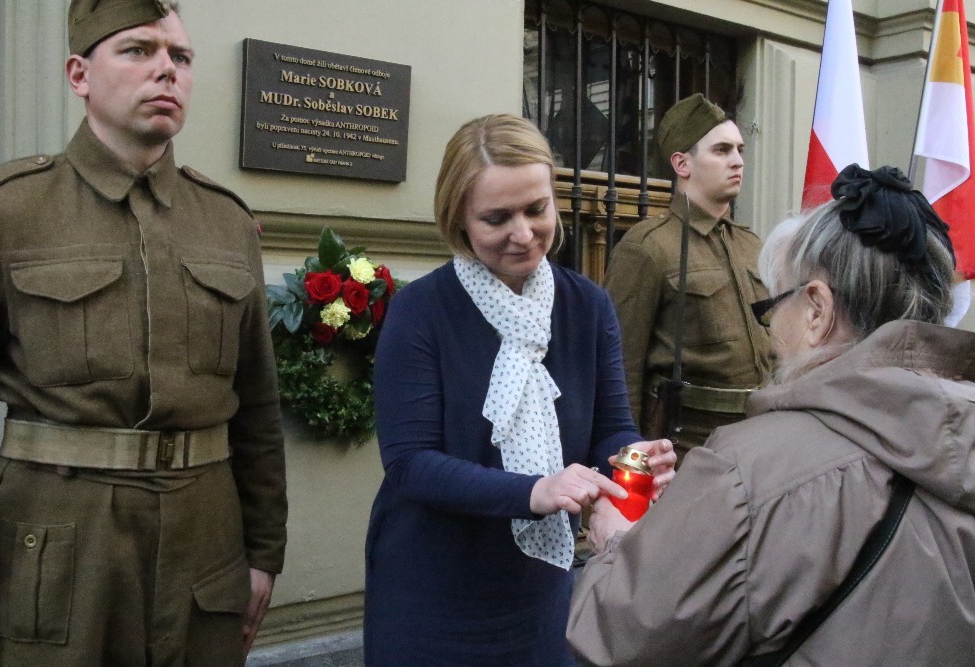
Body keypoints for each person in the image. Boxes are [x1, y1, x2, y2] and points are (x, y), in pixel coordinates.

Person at [0, 1, 287, 664]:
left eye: (180, 57)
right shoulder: (6, 212)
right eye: (139, 51)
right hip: (58, 547)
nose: (166, 71)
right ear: (78, 74)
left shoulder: (226, 223)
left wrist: (263, 553)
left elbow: (257, 406)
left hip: (205, 542)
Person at [567, 164, 975, 665]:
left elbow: (619, 635)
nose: (768, 331)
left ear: (817, 311)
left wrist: (618, 548)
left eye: (772, 305)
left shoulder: (746, 470)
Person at [363, 113, 676, 666]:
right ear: (458, 218)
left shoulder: (588, 306)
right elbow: (410, 463)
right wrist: (533, 491)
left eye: (537, 209)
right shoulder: (421, 310)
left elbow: (611, 427)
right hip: (431, 594)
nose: (524, 233)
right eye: (497, 217)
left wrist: (635, 462)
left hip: (539, 594)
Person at [603, 93, 772, 461]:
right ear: (682, 163)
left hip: (758, 445)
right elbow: (621, 371)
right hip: (686, 451)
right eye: (722, 150)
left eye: (740, 150)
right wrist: (631, 469)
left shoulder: (752, 245)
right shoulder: (648, 248)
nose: (738, 161)